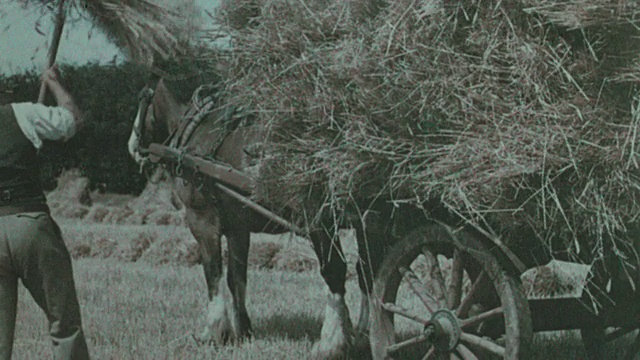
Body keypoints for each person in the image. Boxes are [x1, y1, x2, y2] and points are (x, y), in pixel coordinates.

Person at [0, 66, 90, 359]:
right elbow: (73, 121)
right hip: (29, 223)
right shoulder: (23, 112)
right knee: (63, 322)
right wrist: (54, 84)